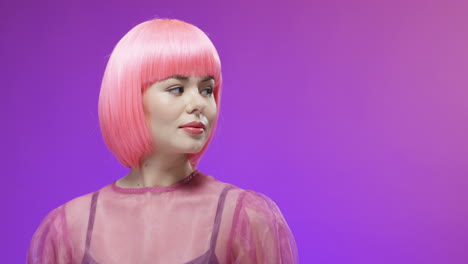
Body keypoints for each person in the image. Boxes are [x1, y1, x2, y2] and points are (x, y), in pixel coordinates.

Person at [27, 18, 298, 264]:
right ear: (129, 96)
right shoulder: (65, 231)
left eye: (207, 89)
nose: (199, 104)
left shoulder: (246, 220)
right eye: (176, 89)